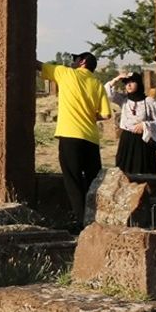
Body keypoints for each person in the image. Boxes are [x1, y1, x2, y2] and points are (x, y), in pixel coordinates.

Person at [38, 52, 112, 231]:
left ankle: (81, 222)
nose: (73, 62)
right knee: (93, 180)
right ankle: (97, 220)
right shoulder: (97, 83)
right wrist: (89, 116)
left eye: (76, 59)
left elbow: (38, 66)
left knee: (73, 180)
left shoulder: (67, 74)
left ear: (83, 62)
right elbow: (106, 114)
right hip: (91, 139)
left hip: (70, 135)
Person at [105, 71, 156, 175]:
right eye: (126, 83)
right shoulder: (123, 100)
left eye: (132, 82)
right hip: (127, 140)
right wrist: (117, 79)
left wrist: (144, 125)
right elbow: (106, 92)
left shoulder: (149, 102)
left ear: (139, 83)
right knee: (124, 171)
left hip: (143, 141)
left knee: (143, 170)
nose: (129, 85)